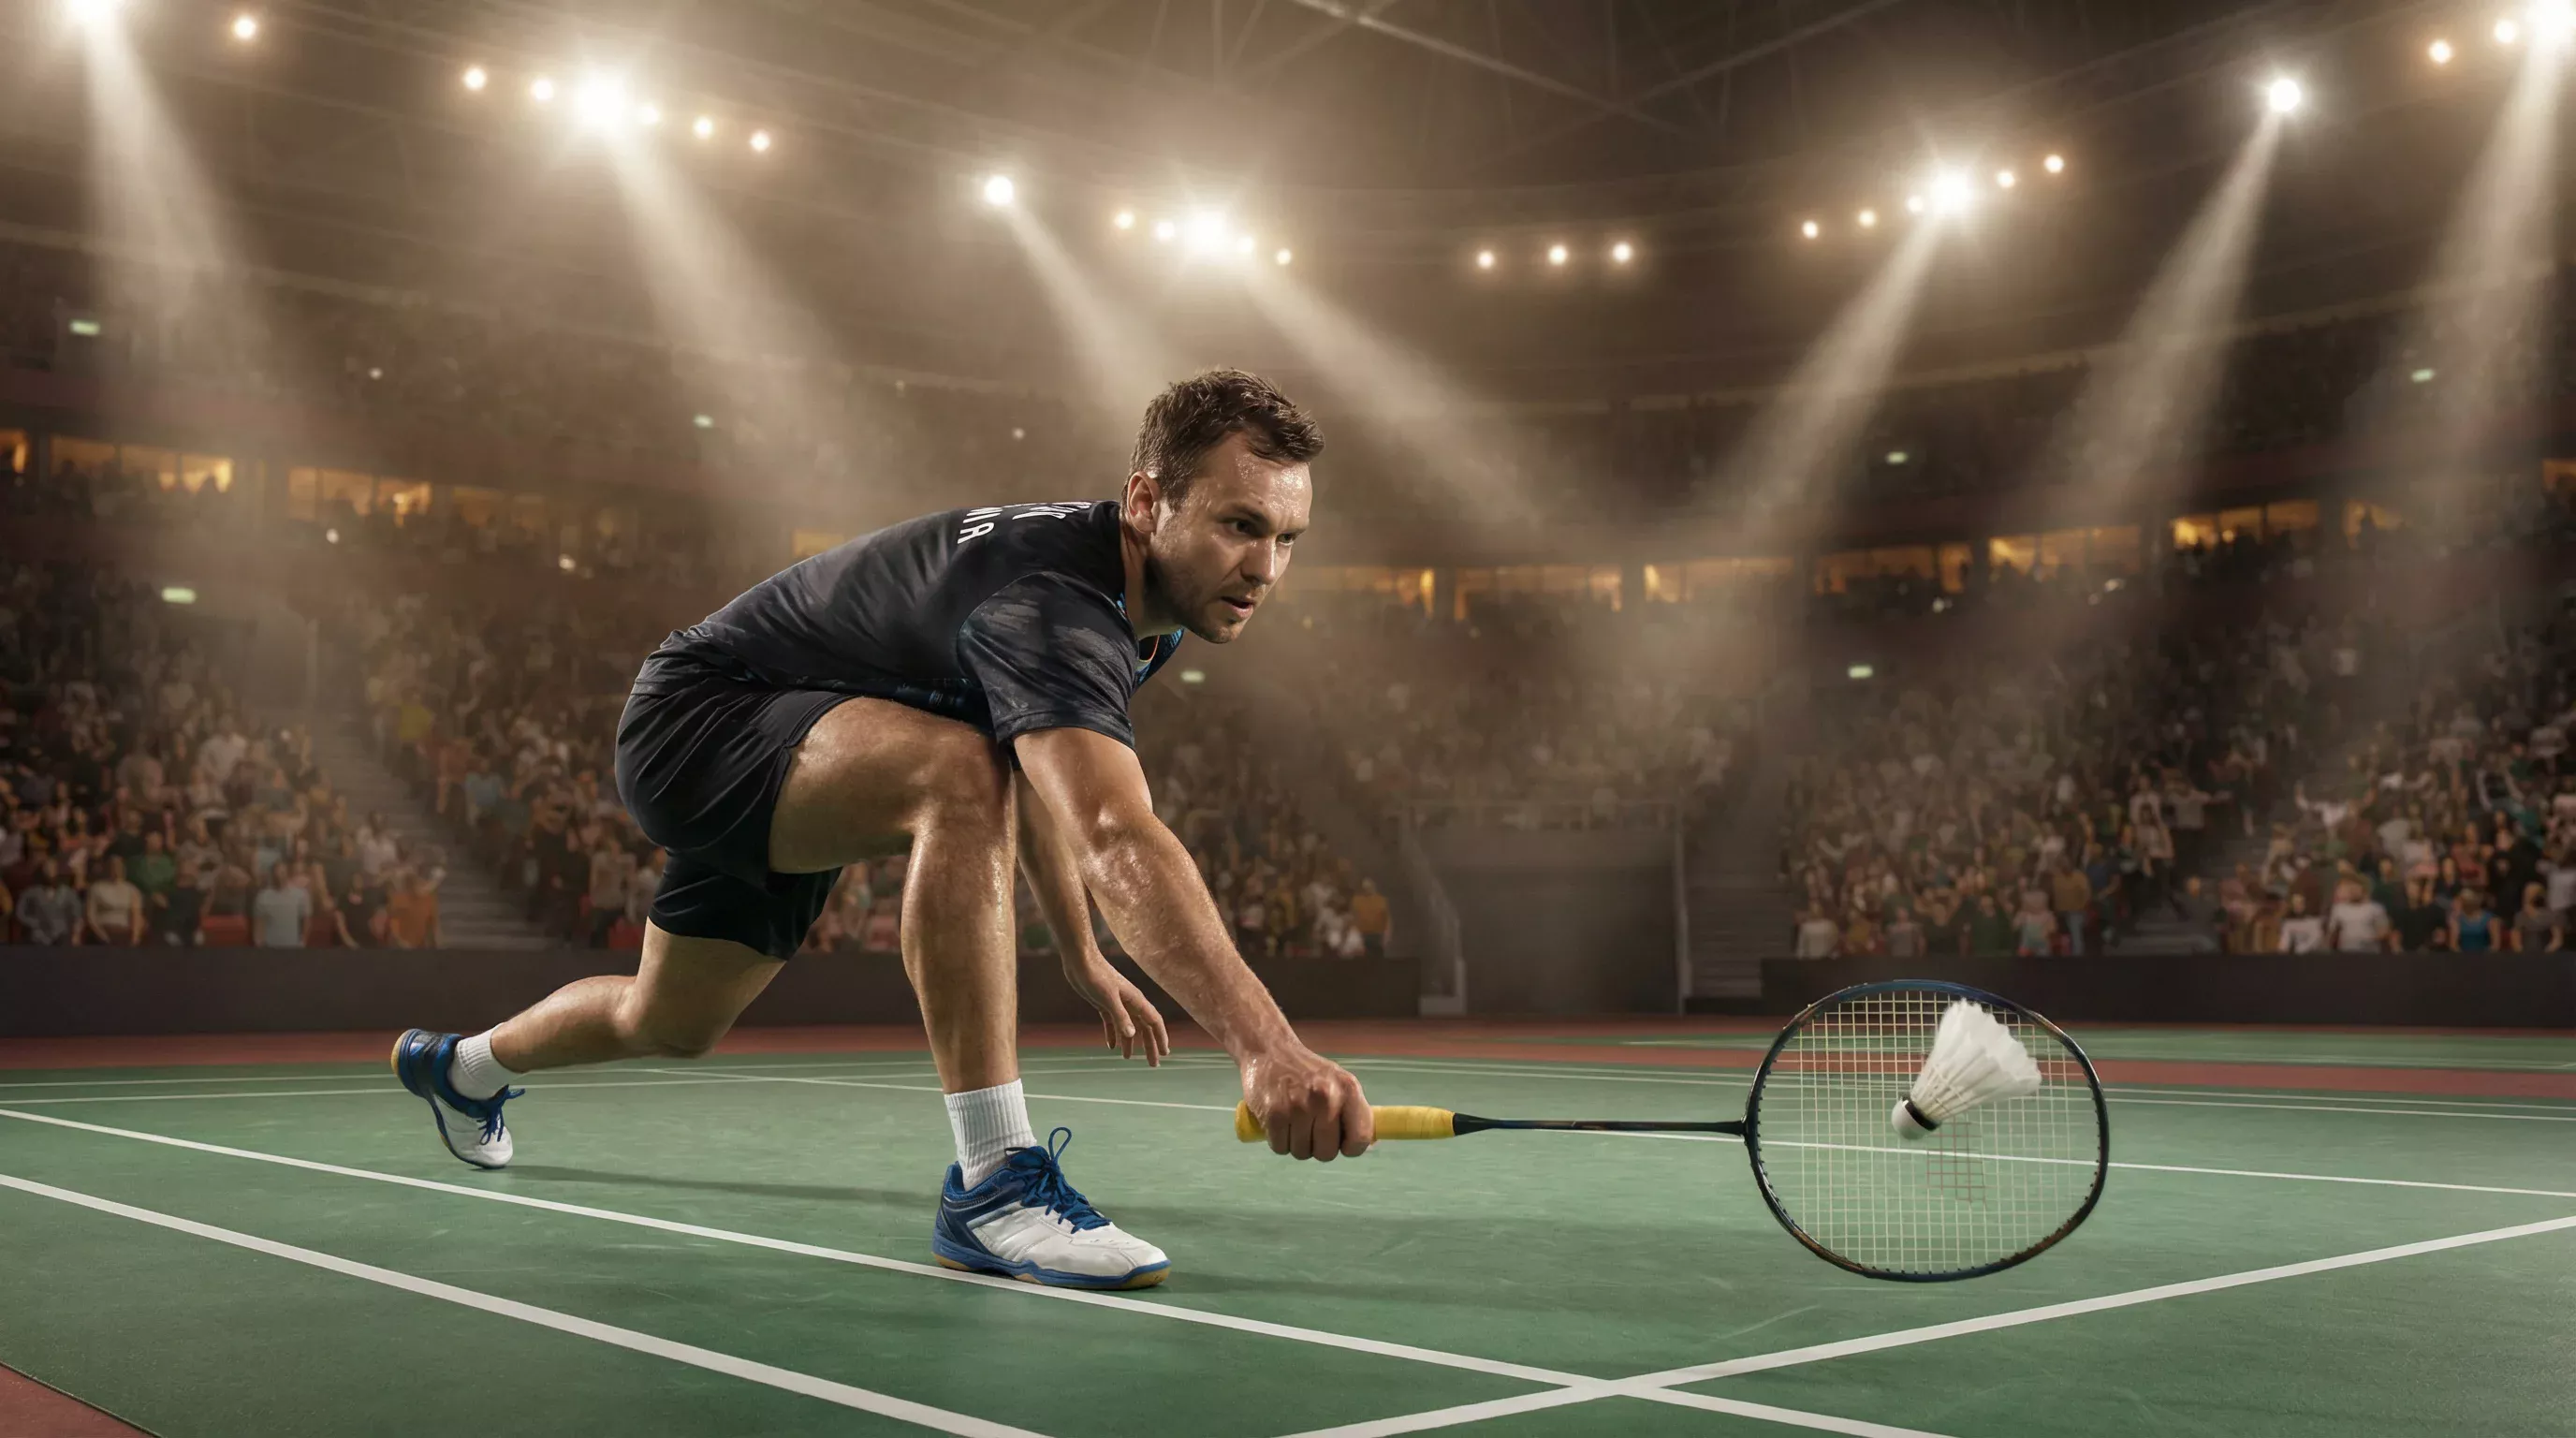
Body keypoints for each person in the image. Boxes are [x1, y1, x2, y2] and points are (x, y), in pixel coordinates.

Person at [388, 371, 1366, 1291]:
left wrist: (1079, 953)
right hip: (704, 723)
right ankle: (991, 1180)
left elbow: (1037, 776)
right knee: (953, 774)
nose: (1266, 567)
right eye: (1241, 526)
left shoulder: (1138, 609)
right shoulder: (1055, 606)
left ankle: (459, 1067)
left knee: (667, 1022)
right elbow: (1109, 826)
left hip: (811, 746)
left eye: (1287, 538)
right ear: (1148, 503)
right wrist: (1266, 1048)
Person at [83, 855, 144, 946]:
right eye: (113, 866)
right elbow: (90, 916)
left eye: (119, 866)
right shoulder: (96, 888)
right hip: (102, 931)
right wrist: (103, 937)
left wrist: (134, 939)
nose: (116, 870)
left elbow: (136, 915)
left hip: (125, 932)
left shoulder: (132, 890)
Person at [253, 861, 311, 948]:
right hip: (270, 948)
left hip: (294, 948)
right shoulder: (263, 896)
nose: (280, 876)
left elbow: (306, 921)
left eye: (282, 872)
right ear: (272, 875)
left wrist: (302, 943)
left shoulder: (300, 895)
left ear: (287, 874)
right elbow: (259, 924)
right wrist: (260, 945)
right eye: (277, 873)